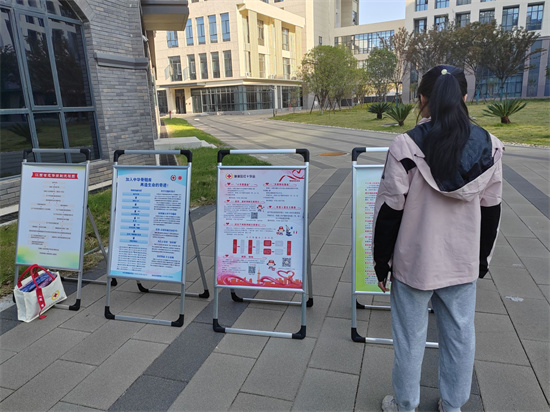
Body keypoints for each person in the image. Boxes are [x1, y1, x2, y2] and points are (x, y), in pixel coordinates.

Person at [372, 65, 503, 412]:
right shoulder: (490, 146)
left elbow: (389, 211)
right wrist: (482, 260)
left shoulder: (405, 146)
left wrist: (381, 262)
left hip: (414, 262)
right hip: (462, 262)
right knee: (460, 337)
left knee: (409, 340)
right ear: (465, 97)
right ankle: (453, 405)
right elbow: (492, 210)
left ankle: (405, 405)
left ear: (422, 99)